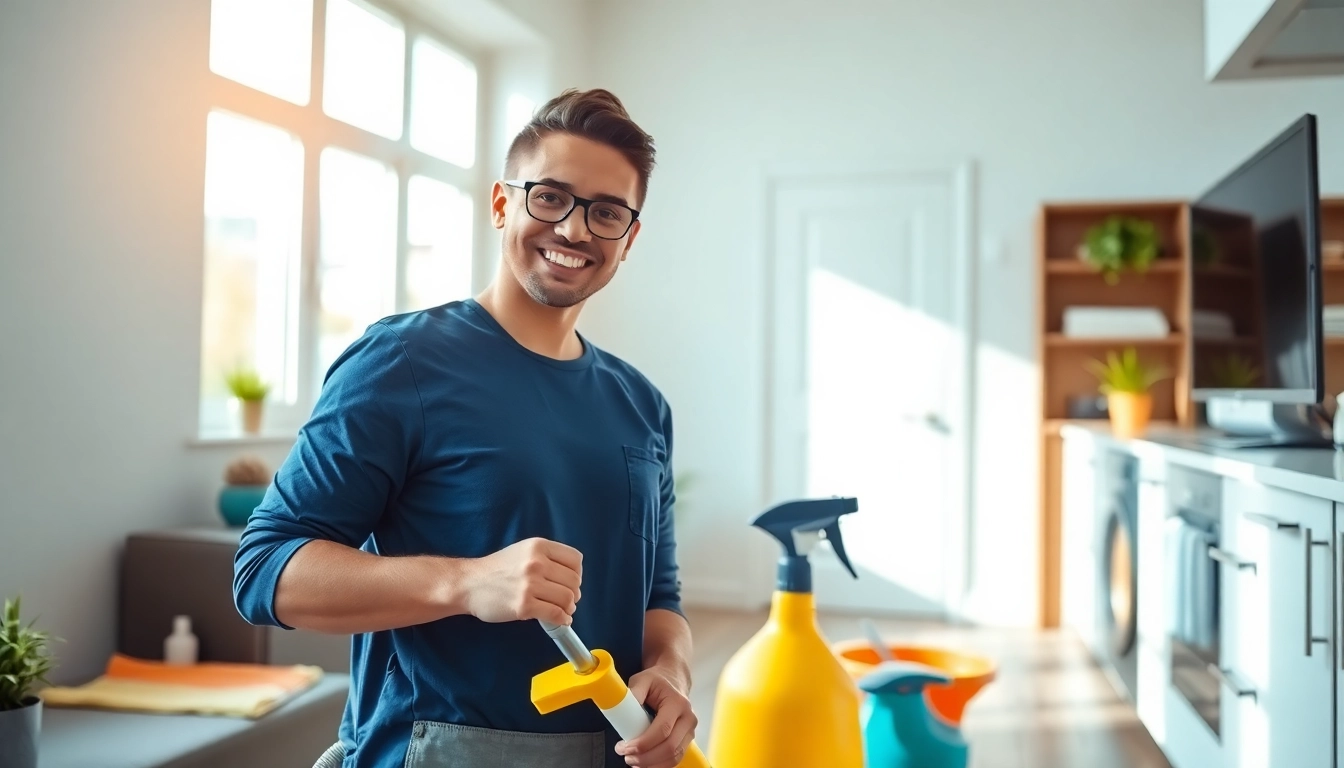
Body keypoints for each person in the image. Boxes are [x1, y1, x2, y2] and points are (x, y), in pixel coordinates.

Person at [233, 88, 696, 768]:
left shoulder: (640, 403)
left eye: (605, 213)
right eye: (550, 197)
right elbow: (265, 570)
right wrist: (465, 583)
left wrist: (673, 670)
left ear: (628, 239)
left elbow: (659, 598)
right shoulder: (401, 363)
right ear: (503, 203)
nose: (573, 230)